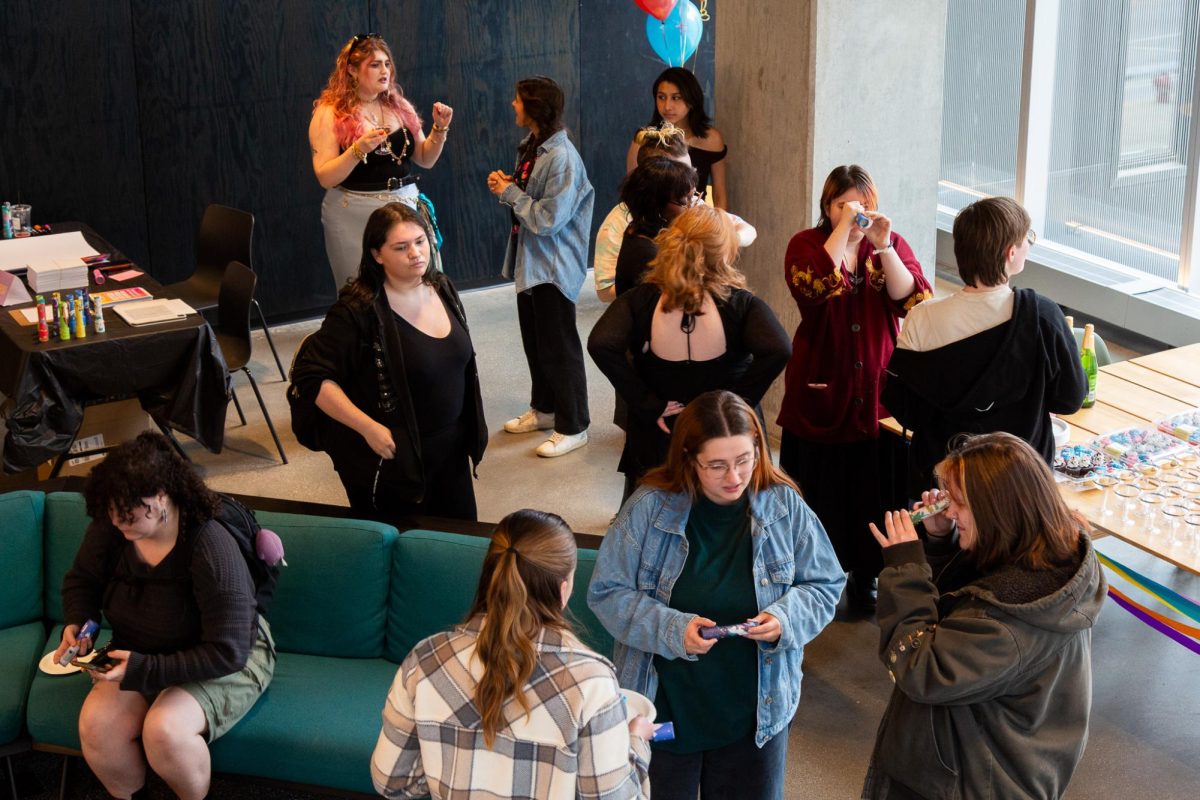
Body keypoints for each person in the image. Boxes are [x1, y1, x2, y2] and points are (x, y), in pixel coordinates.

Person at [588, 391, 845, 800]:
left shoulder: (784, 506)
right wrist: (672, 628)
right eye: (717, 465)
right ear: (689, 459)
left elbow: (825, 583)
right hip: (667, 714)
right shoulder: (649, 508)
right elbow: (607, 593)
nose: (735, 477)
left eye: (745, 460)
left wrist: (786, 618)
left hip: (756, 716)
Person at [864, 432, 1105, 799]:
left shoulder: (1007, 622)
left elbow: (921, 667)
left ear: (996, 511)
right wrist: (940, 542)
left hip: (971, 780)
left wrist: (906, 568)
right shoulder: (1048, 555)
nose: (949, 511)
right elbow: (961, 610)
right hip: (999, 758)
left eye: (959, 503)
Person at [371, 509, 653, 799]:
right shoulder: (593, 683)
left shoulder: (425, 658)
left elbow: (390, 780)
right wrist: (636, 743)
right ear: (563, 589)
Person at [55, 432, 275, 800]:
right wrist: (80, 621)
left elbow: (229, 651)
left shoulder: (210, 547)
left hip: (225, 658)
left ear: (162, 496)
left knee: (165, 730)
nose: (117, 521)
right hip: (142, 650)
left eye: (127, 512)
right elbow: (82, 581)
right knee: (97, 726)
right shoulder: (115, 525)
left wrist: (145, 670)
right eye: (110, 511)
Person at [777, 164, 932, 612]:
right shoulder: (806, 245)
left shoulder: (889, 245)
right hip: (821, 390)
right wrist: (843, 233)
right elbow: (815, 288)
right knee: (820, 493)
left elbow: (913, 300)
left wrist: (883, 246)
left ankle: (866, 579)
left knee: (874, 494)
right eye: (841, 204)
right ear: (825, 207)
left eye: (861, 204)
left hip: (879, 394)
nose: (853, 212)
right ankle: (809, 583)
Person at [290, 202, 486, 519]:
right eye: (401, 247)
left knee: (459, 544)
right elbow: (311, 377)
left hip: (450, 449)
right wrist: (367, 427)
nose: (416, 254)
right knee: (405, 550)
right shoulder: (358, 310)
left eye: (421, 241)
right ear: (377, 254)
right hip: (397, 458)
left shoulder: (441, 286)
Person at [883, 196, 1087, 497]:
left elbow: (907, 411)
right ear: (1011, 252)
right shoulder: (1040, 316)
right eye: (1027, 239)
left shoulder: (921, 318)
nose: (1029, 246)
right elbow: (1070, 399)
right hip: (1021, 484)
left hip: (945, 487)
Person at [589, 205, 790, 500]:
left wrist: (645, 402)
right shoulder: (740, 305)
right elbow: (779, 348)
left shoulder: (641, 300)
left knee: (656, 517)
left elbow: (600, 343)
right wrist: (740, 400)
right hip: (725, 431)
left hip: (664, 428)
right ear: (723, 254)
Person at [488, 76, 595, 458]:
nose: (512, 106)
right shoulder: (532, 147)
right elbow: (531, 201)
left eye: (517, 101)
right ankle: (545, 410)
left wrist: (509, 192)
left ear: (533, 108)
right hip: (529, 263)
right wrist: (508, 186)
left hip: (552, 266)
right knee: (536, 344)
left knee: (559, 348)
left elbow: (549, 220)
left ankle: (574, 424)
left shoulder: (562, 158)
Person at [310, 33, 454, 290]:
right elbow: (325, 177)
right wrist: (358, 149)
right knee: (364, 293)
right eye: (375, 65)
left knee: (418, 285)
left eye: (387, 64)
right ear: (352, 70)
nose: (384, 71)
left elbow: (425, 158)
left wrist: (439, 130)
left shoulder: (399, 106)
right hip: (354, 213)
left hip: (404, 206)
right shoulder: (330, 113)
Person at [595, 124, 693, 303]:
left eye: (690, 173)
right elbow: (604, 290)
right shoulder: (623, 227)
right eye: (679, 175)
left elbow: (743, 229)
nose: (689, 186)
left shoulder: (688, 204)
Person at [625, 68, 728, 209]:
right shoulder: (644, 138)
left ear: (691, 100)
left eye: (676, 98)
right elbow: (633, 192)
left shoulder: (712, 139)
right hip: (653, 220)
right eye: (661, 97)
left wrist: (719, 228)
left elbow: (719, 195)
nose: (667, 106)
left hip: (695, 220)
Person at [614, 156, 699, 296]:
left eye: (693, 196)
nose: (692, 206)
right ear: (656, 205)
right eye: (686, 200)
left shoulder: (650, 229)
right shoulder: (646, 254)